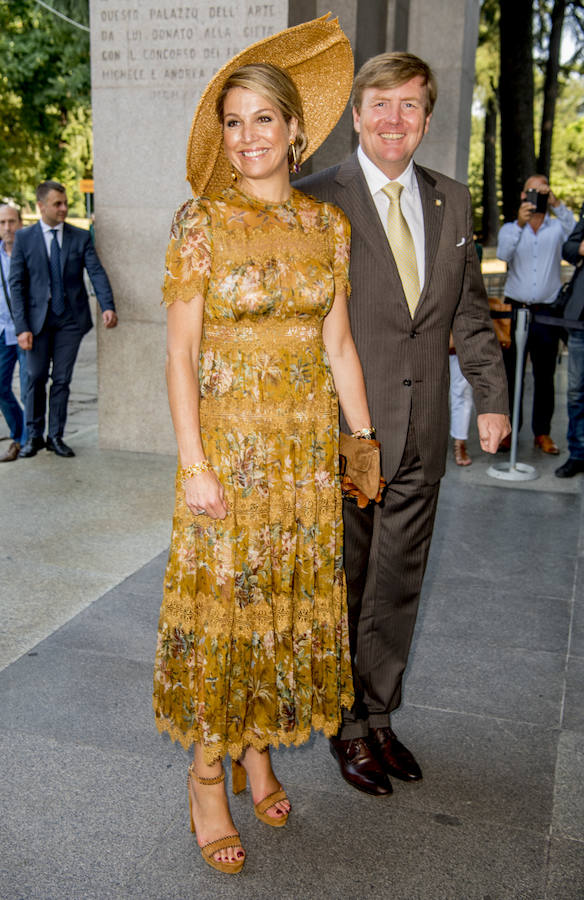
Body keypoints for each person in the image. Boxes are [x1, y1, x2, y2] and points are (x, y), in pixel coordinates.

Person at [152, 17, 369, 874]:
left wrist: (361, 442)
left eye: (263, 119)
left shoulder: (328, 227)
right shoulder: (200, 223)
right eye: (233, 122)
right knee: (226, 616)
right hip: (229, 459)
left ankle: (257, 749)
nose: (247, 137)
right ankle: (209, 774)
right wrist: (194, 465)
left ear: (294, 129)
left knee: (278, 606)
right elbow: (179, 355)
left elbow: (339, 344)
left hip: (302, 462)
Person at [296, 52, 510, 796]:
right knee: (349, 582)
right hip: (349, 434)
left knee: (398, 583)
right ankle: (346, 724)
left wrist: (491, 395)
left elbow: (468, 314)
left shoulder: (452, 199)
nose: (395, 119)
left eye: (410, 105)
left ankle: (378, 713)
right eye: (381, 104)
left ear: (427, 117)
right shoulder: (315, 198)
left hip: (422, 435)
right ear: (356, 115)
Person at [9, 181, 117, 458]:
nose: (64, 208)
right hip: (37, 323)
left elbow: (95, 271)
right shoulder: (24, 238)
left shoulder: (79, 237)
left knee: (61, 379)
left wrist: (107, 305)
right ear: (41, 206)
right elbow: (16, 285)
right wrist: (22, 327)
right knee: (35, 377)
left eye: (65, 203)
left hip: (70, 320)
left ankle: (55, 436)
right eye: (57, 204)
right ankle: (34, 436)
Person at [497, 175, 575, 454]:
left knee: (545, 375)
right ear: (522, 196)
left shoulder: (557, 228)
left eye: (541, 191)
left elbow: (576, 235)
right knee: (510, 374)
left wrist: (557, 203)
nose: (536, 195)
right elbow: (503, 254)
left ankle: (542, 433)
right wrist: (520, 224)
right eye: (531, 191)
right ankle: (507, 432)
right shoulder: (510, 228)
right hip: (515, 310)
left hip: (546, 313)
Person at [0, 204, 28, 461]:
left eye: (12, 221)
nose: (7, 227)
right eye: (2, 222)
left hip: (25, 332)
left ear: (20, 223)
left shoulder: (30, 253)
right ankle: (22, 433)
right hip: (1, 331)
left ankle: (23, 440)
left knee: (28, 391)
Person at [555, 203, 584, 478]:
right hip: (580, 321)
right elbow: (569, 249)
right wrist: (581, 248)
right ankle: (577, 453)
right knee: (576, 391)